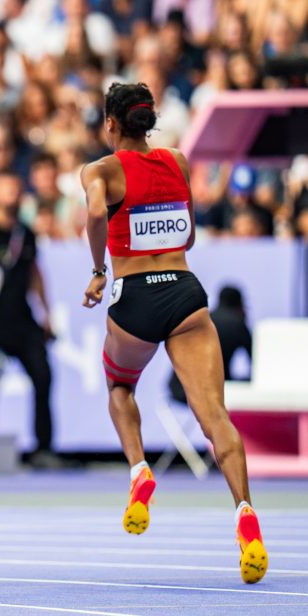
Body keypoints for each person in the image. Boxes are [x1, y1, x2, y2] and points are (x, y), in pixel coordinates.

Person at [80, 82, 267, 584]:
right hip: (185, 293)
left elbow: (97, 211)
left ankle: (140, 469)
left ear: (111, 124)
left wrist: (99, 269)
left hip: (136, 296)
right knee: (214, 417)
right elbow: (186, 225)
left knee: (120, 387)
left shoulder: (99, 169)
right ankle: (245, 514)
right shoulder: (178, 161)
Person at [0, 171, 60, 469]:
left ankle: (43, 448)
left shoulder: (25, 234)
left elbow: (35, 275)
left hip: (23, 321)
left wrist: (46, 315)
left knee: (43, 376)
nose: (14, 195)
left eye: (17, 189)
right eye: (8, 190)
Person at [168, 285, 252, 404]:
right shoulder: (237, 324)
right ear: (240, 305)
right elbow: (255, 361)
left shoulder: (201, 320)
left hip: (178, 388)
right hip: (213, 391)